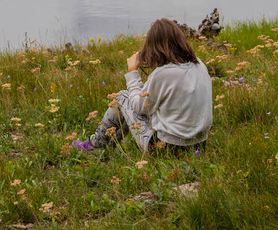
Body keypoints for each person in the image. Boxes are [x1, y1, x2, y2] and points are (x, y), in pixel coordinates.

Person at [72, 18, 213, 154]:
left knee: (123, 97)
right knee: (131, 102)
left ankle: (95, 144)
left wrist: (133, 73)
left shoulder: (163, 74)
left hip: (165, 148)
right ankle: (106, 145)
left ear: (154, 47)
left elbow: (139, 107)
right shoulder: (199, 65)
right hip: (198, 145)